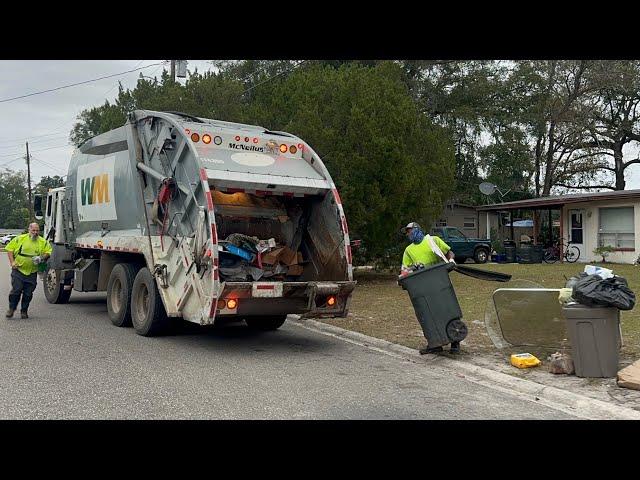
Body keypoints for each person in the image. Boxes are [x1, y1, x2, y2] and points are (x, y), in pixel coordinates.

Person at [400, 221, 460, 355]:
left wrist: (451, 260)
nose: (408, 234)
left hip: (440, 282)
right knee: (427, 314)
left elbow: (449, 252)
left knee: (446, 309)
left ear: (417, 229)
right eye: (407, 232)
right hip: (423, 287)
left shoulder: (433, 241)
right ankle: (434, 344)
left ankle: (455, 342)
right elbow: (404, 270)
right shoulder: (408, 250)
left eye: (409, 231)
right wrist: (410, 270)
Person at [5, 223, 52, 319]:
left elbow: (48, 251)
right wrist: (12, 262)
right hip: (18, 270)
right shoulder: (20, 239)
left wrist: (41, 258)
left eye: (37, 231)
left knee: (28, 293)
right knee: (16, 290)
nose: (35, 233)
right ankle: (11, 309)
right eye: (33, 230)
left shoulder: (43, 241)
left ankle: (24, 311)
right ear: (29, 230)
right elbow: (9, 249)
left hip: (32, 272)